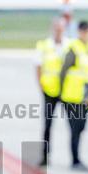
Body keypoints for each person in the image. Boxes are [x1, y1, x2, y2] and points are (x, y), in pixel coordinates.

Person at [58, 20, 88, 171]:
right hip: (72, 97)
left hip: (84, 99)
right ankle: (75, 161)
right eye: (84, 32)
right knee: (75, 130)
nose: (86, 34)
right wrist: (61, 94)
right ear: (79, 32)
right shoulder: (73, 48)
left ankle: (77, 159)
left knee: (81, 128)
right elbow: (63, 71)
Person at [36, 17, 69, 166]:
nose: (58, 30)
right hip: (49, 91)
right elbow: (38, 66)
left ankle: (74, 158)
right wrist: (41, 86)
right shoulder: (44, 45)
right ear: (52, 28)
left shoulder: (70, 45)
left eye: (61, 27)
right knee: (48, 125)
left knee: (73, 124)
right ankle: (45, 155)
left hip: (67, 91)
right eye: (56, 27)